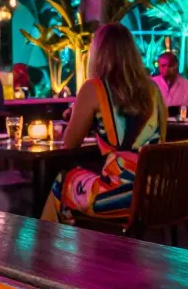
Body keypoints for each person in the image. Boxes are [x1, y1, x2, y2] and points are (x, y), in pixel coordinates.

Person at [42, 24, 166, 223]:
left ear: (97, 53)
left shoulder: (94, 88)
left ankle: (47, 249)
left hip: (122, 193)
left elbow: (69, 144)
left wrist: (80, 114)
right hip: (157, 191)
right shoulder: (153, 89)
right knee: (82, 178)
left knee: (63, 181)